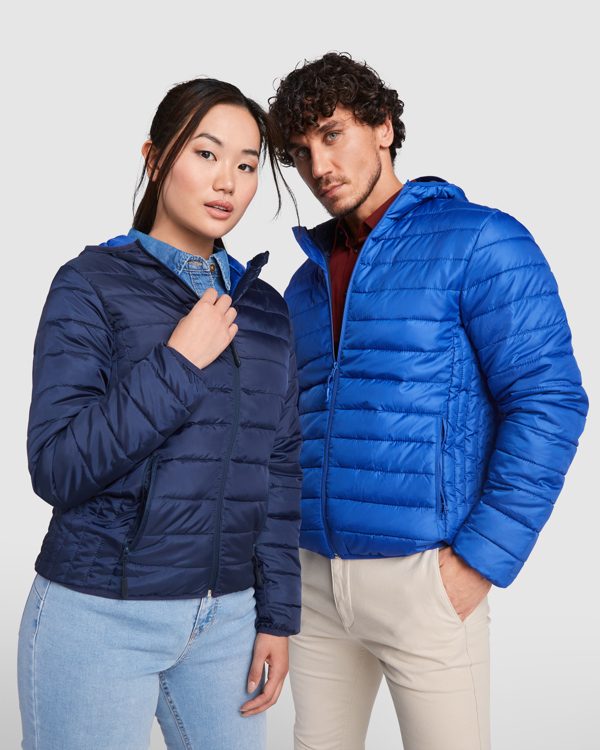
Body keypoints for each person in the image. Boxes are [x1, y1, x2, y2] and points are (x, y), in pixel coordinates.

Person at [269, 52, 588, 750]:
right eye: (300, 152)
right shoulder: (305, 281)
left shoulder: (481, 240)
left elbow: (550, 399)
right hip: (313, 582)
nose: (319, 166)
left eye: (332, 134)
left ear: (383, 126)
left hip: (425, 580)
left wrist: (477, 562)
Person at [19, 77, 302, 750]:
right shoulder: (90, 284)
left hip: (228, 623)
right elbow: (56, 467)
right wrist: (177, 363)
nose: (227, 181)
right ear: (154, 158)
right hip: (100, 613)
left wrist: (276, 616)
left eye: (246, 165)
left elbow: (280, 469)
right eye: (206, 154)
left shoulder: (266, 310)